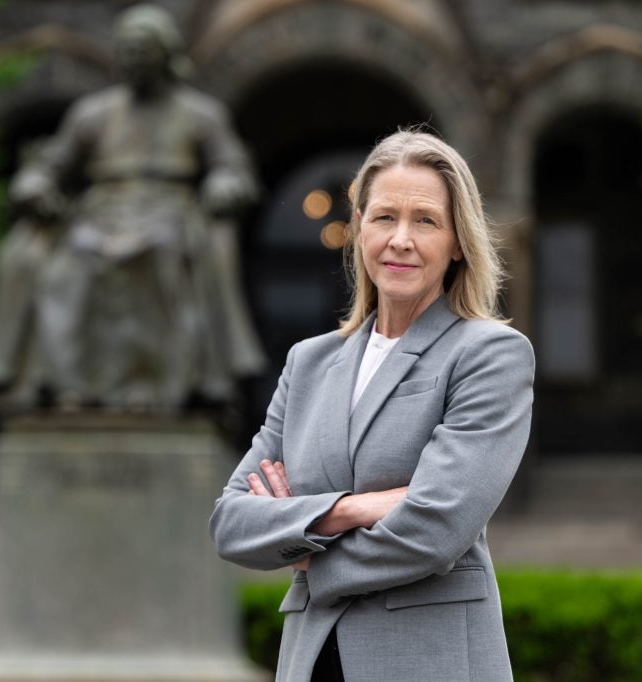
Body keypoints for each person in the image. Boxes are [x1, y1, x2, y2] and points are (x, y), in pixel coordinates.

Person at [209, 129, 534, 681]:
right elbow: (233, 523)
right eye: (384, 217)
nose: (401, 239)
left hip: (430, 663)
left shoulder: (489, 355)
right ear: (359, 229)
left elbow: (436, 531)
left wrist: (306, 548)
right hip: (311, 662)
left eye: (425, 220)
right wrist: (353, 509)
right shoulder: (308, 364)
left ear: (458, 240)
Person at [0, 4, 263, 410]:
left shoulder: (201, 114)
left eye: (143, 51)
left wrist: (224, 185)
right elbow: (50, 165)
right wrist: (35, 185)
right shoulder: (92, 113)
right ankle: (69, 385)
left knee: (161, 252)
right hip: (101, 211)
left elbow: (233, 169)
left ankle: (160, 389)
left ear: (165, 55)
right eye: (127, 51)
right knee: (67, 263)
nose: (134, 60)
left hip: (171, 211)